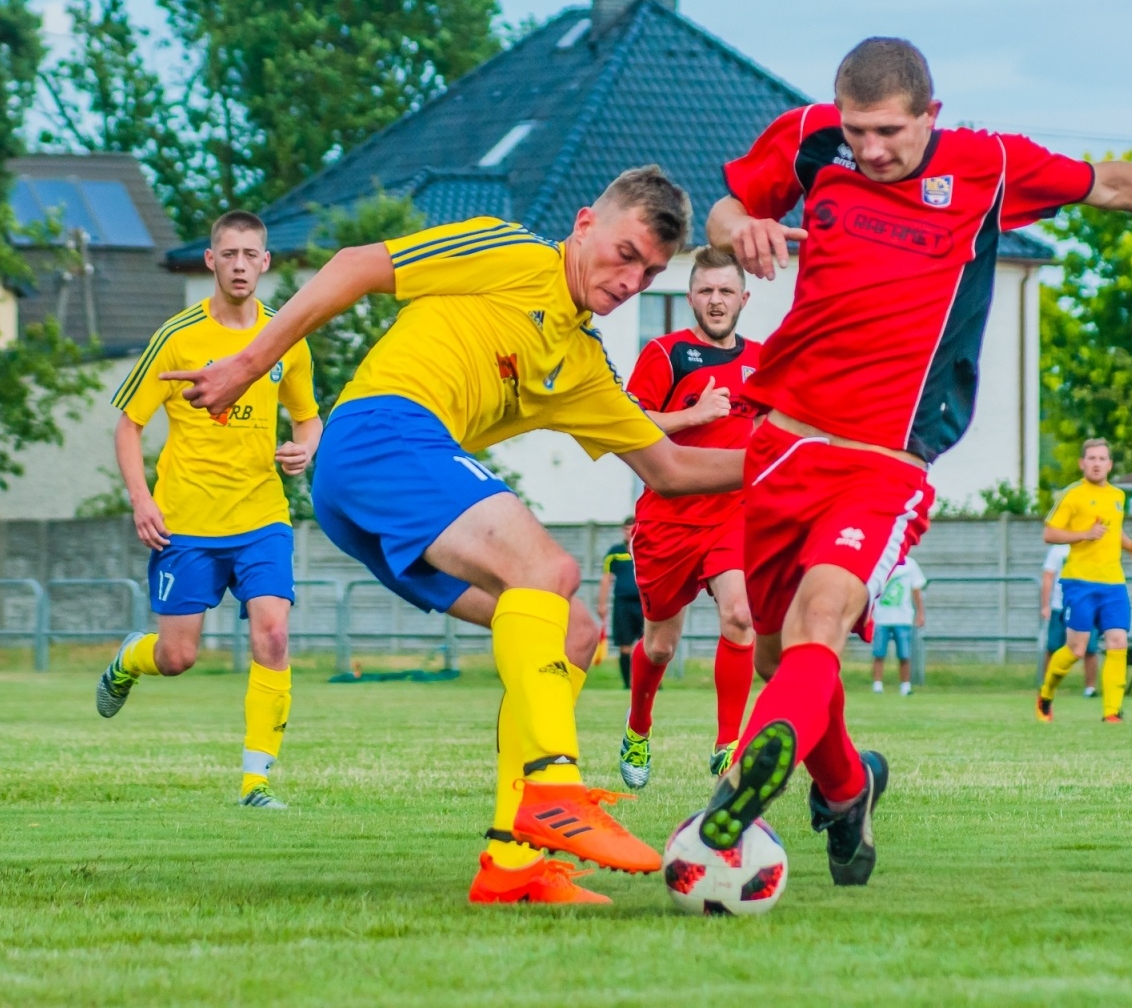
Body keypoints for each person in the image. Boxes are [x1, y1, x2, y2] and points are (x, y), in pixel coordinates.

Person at [693, 35, 1132, 882]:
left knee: (821, 625)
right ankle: (849, 789)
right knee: (780, 662)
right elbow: (726, 208)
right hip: (779, 447)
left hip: (883, 462)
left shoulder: (987, 167)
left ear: (933, 114)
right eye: (859, 132)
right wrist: (741, 229)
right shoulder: (812, 140)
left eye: (890, 131)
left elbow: (1113, 182)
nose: (872, 150)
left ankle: (742, 784)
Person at [166, 166, 744, 906]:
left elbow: (670, 467)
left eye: (654, 271)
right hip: (381, 430)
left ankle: (511, 863)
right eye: (627, 254)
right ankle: (555, 788)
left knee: (574, 630)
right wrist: (251, 363)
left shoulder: (582, 365)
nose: (634, 279)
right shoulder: (513, 253)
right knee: (550, 568)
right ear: (584, 225)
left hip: (385, 490)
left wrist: (800, 462)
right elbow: (354, 266)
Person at [94, 211, 323, 811]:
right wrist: (142, 500)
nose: (241, 264)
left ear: (266, 263)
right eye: (230, 254)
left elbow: (308, 414)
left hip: (261, 516)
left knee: (273, 633)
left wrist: (305, 448)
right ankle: (129, 657)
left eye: (252, 254)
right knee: (178, 658)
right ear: (211, 261)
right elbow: (127, 424)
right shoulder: (177, 336)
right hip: (187, 523)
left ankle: (256, 782)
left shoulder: (283, 338)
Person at [619, 246, 761, 788]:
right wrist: (694, 414)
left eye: (726, 291)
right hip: (669, 521)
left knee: (741, 616)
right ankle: (638, 728)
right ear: (690, 297)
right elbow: (628, 427)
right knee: (660, 646)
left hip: (734, 516)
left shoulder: (764, 360)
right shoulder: (666, 353)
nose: (716, 300)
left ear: (744, 298)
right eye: (706, 291)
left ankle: (728, 746)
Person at [1039, 439, 1132, 722]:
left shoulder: (1118, 496)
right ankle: (1046, 695)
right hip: (1080, 582)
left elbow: (1114, 532)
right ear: (1082, 463)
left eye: (1102, 458)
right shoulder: (1072, 495)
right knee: (1076, 648)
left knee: (1118, 641)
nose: (1097, 463)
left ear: (1110, 465)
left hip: (1114, 583)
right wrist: (1083, 534)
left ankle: (1112, 711)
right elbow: (1049, 534)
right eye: (1091, 458)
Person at [1040, 543, 1097, 697]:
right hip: (1060, 605)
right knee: (1053, 647)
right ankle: (1046, 685)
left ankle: (1090, 688)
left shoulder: (1089, 546)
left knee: (1090, 648)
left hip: (1085, 605)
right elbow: (1048, 577)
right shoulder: (1058, 549)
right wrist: (1045, 605)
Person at [870, 556, 926, 695]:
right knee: (878, 653)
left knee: (904, 654)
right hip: (881, 617)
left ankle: (905, 686)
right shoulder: (880, 561)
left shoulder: (910, 564)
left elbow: (916, 590)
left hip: (903, 617)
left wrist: (920, 612)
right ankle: (877, 685)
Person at [596, 517, 641, 689]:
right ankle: (627, 684)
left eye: (632, 528)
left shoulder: (647, 549)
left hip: (645, 603)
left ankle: (653, 683)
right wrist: (602, 604)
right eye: (626, 529)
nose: (629, 532)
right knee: (625, 645)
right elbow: (606, 579)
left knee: (650, 646)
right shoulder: (615, 553)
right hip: (622, 604)